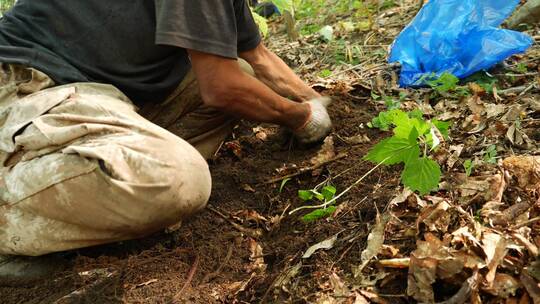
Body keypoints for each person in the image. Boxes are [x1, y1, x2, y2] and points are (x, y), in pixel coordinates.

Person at [0, 0, 332, 284]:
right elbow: (221, 87)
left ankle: (115, 184)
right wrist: (302, 118)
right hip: (29, 85)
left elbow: (256, 57)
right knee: (180, 179)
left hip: (100, 86)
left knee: (245, 75)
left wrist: (318, 101)